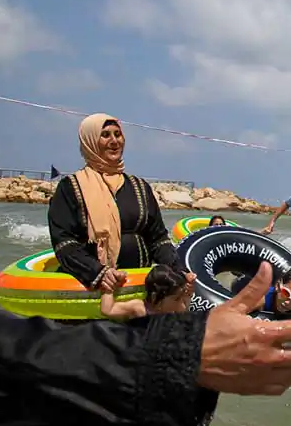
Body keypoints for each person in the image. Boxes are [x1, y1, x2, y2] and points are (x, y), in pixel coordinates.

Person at [0, 262, 291, 426]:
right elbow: (106, 315)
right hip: (125, 362)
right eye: (180, 301)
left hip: (123, 366)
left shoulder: (175, 315)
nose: (185, 304)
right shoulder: (138, 310)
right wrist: (178, 352)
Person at [48, 113, 194, 320]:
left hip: (136, 292)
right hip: (90, 289)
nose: (114, 141)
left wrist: (179, 270)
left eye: (118, 134)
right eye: (105, 135)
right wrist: (99, 273)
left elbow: (158, 239)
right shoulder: (70, 187)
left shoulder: (140, 187)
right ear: (90, 142)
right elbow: (64, 243)